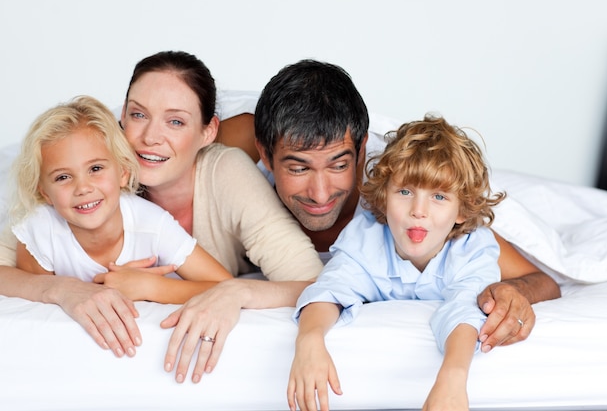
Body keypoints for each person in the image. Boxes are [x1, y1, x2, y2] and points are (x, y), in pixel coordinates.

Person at [0, 51, 324, 384]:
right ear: (122, 117)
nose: (150, 137)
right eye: (139, 115)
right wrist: (61, 289)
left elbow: (317, 285)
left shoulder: (225, 174)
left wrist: (160, 288)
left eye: (176, 121)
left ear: (208, 131)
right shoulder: (81, 181)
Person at [250, 59, 561, 353]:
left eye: (338, 165)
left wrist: (514, 292)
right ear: (264, 156)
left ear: (361, 153)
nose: (319, 194)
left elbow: (541, 280)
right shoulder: (238, 170)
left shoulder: (426, 212)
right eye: (299, 169)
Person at [287, 115, 505, 411]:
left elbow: (465, 308)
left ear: (462, 211)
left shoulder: (473, 249)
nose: (419, 211)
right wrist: (309, 339)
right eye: (405, 192)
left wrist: (452, 376)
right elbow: (331, 288)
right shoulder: (366, 239)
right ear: (384, 198)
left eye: (439, 196)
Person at [10, 95, 232, 304]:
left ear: (123, 172)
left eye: (95, 168)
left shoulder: (152, 224)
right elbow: (36, 310)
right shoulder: (39, 230)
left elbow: (225, 287)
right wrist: (100, 289)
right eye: (63, 177)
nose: (83, 188)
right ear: (45, 193)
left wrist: (150, 287)